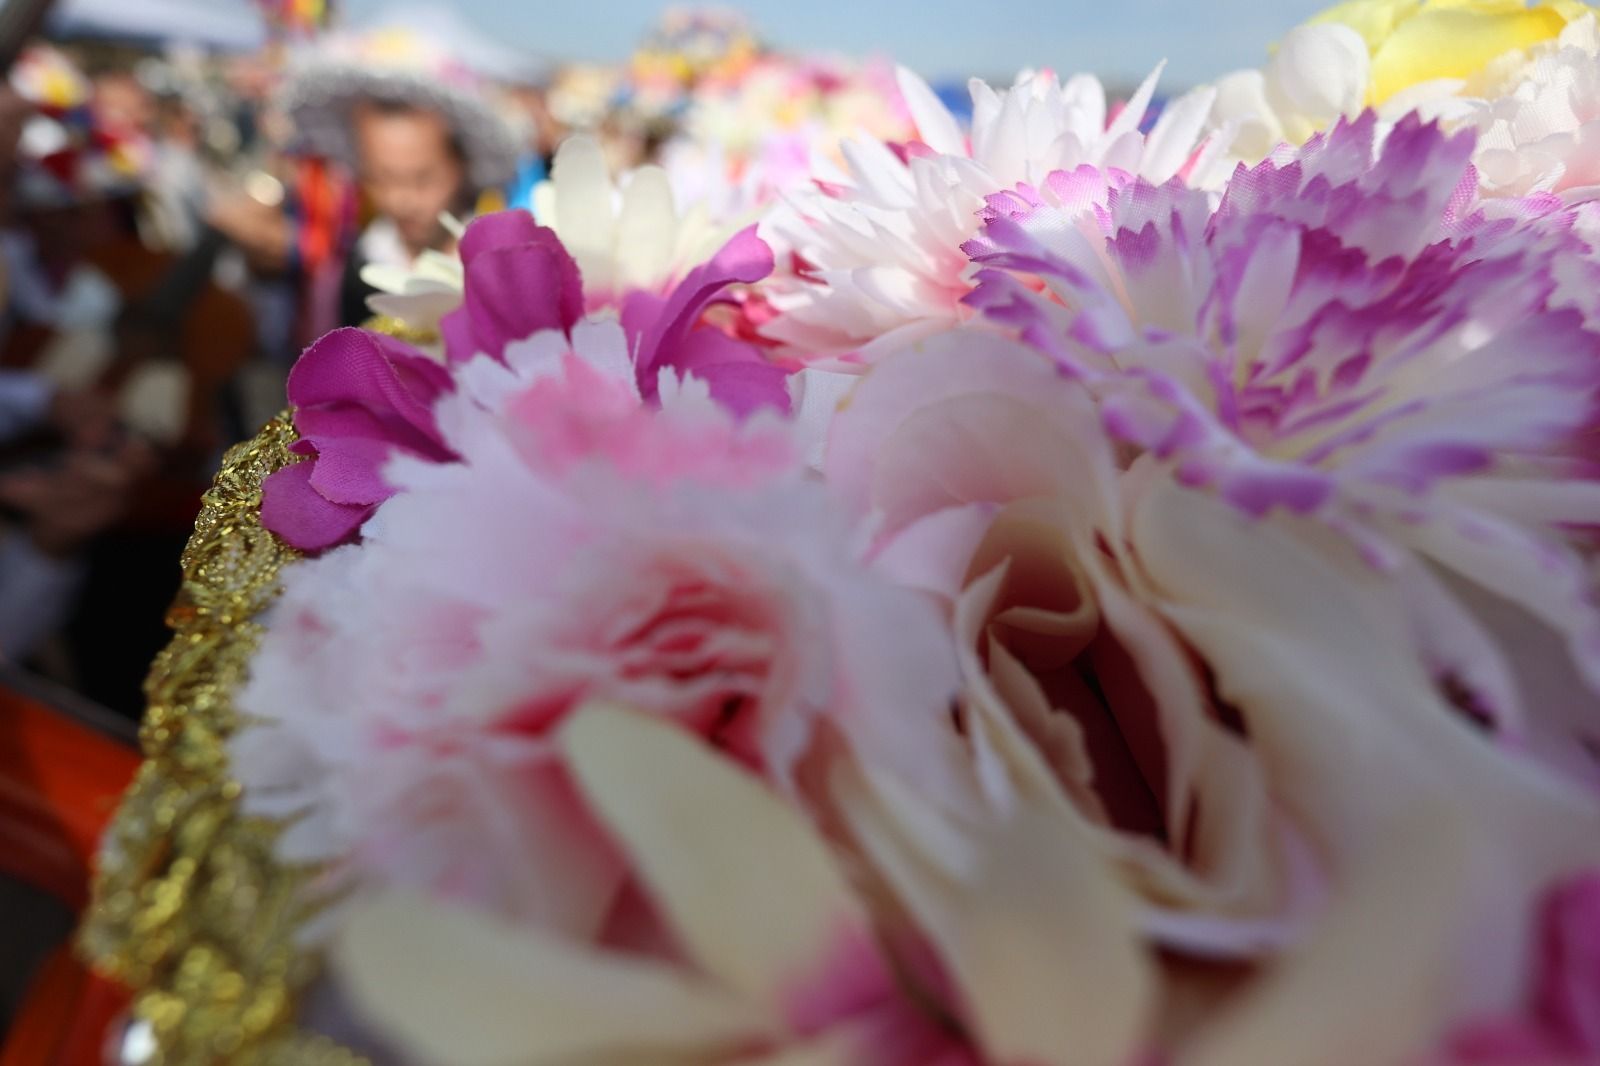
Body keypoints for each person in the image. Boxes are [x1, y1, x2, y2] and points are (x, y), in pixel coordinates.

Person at [278, 15, 522, 331]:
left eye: (422, 179)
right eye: (379, 178)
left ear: (463, 166)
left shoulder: (500, 270)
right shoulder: (356, 269)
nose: (400, 200)